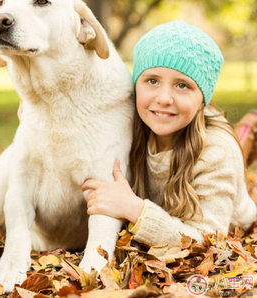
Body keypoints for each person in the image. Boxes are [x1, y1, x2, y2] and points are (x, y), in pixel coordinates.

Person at [81, 21, 257, 246]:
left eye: (182, 85)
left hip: (236, 217)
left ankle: (245, 133)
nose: (164, 98)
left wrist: (133, 208)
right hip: (175, 203)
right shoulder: (131, 121)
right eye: (152, 80)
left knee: (232, 149)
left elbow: (207, 240)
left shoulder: (218, 151)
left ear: (203, 98)